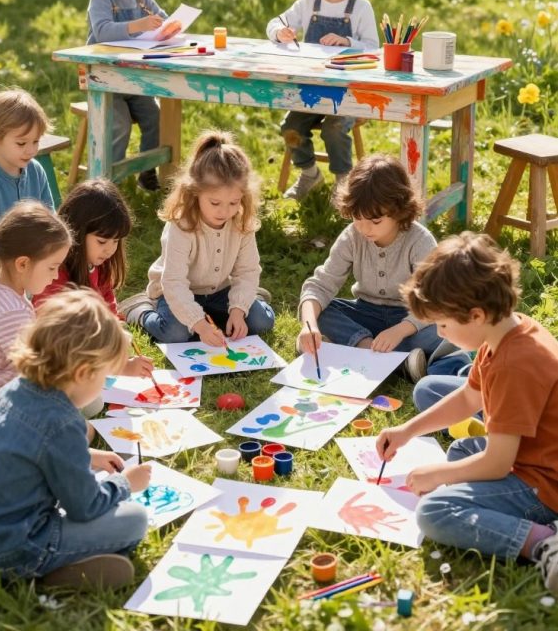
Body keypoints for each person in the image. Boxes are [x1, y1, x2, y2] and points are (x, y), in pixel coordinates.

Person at [376, 232, 558, 596]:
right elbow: (468, 397)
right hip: (531, 460)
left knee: (434, 512)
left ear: (476, 315)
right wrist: (406, 431)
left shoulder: (515, 362)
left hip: (545, 484)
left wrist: (439, 474)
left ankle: (544, 543)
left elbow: (496, 465)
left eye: (443, 325)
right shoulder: (505, 333)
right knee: (460, 452)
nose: (440, 334)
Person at [0, 290, 150, 589]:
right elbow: (85, 506)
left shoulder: (15, 389)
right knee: (134, 519)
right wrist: (125, 484)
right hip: (14, 548)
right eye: (104, 377)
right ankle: (46, 572)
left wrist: (88, 456)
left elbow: (28, 449)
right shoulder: (63, 421)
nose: (103, 386)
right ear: (83, 373)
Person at [122, 130, 275, 344]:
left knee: (261, 322)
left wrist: (239, 310)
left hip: (221, 290)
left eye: (233, 203)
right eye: (215, 203)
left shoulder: (241, 222)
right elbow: (174, 283)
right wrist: (199, 324)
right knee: (175, 334)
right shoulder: (181, 225)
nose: (224, 211)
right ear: (195, 192)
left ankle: (246, 298)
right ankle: (140, 310)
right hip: (176, 292)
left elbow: (247, 270)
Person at [297, 154, 441, 382]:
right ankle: (377, 352)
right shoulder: (352, 236)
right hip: (366, 313)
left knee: (444, 330)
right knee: (322, 311)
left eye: (375, 221)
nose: (365, 228)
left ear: (399, 210)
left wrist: (402, 329)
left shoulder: (420, 241)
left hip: (411, 317)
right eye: (357, 218)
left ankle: (361, 349)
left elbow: (433, 301)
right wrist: (309, 325)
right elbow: (320, 285)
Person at [266, 0, 379, 201]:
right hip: (311, 90)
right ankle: (309, 174)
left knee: (334, 129)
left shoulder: (360, 8)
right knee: (290, 128)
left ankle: (343, 182)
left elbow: (375, 48)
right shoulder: (308, 3)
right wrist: (280, 32)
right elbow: (275, 24)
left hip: (348, 93)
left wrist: (347, 41)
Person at [33, 179, 154, 378]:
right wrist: (117, 363)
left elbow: (108, 302)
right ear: (77, 232)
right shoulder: (55, 272)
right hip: (57, 350)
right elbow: (58, 333)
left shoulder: (99, 262)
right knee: (91, 404)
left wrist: (116, 329)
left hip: (86, 346)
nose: (110, 249)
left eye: (116, 241)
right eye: (102, 241)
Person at [87, 0, 170, 192]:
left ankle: (147, 170)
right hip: (106, 80)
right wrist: (138, 25)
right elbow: (102, 31)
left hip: (134, 79)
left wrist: (169, 26)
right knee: (119, 124)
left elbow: (162, 17)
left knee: (156, 117)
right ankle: (108, 184)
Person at [0, 201, 71, 420]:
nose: (55, 276)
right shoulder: (11, 312)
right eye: (52, 267)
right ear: (23, 264)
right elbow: (35, 375)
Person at [0, 89, 54, 253]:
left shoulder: (36, 171)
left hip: (30, 260)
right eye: (21, 143)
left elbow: (50, 220)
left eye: (36, 141)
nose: (31, 150)